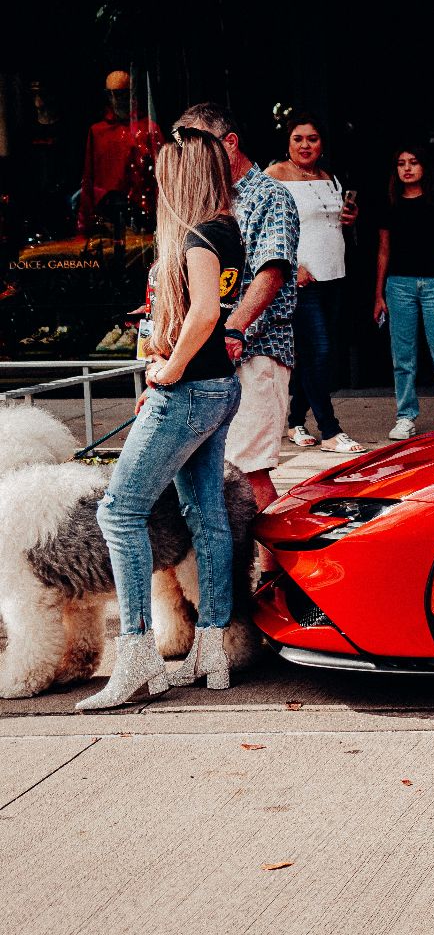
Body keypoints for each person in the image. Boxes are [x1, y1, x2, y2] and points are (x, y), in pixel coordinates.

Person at [77, 128, 246, 709]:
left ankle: (137, 652)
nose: (154, 178)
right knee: (207, 516)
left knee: (118, 513)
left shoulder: (198, 235)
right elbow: (219, 312)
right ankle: (212, 650)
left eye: (163, 169)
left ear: (183, 176)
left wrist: (168, 368)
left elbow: (203, 311)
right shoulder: (228, 230)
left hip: (189, 391)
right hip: (219, 388)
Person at [173, 103, 299, 515]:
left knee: (249, 472)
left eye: (198, 145)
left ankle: (274, 575)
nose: (190, 157)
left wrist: (234, 327)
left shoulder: (270, 195)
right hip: (208, 354)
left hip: (256, 349)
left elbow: (273, 270)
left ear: (230, 143)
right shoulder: (206, 199)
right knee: (210, 471)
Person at [267, 112, 364, 454]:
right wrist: (290, 266)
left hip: (334, 273)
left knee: (320, 355)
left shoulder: (329, 176)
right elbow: (264, 228)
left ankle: (294, 421)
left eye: (312, 139)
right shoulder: (275, 175)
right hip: (301, 279)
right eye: (298, 139)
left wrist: (349, 219)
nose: (306, 145)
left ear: (322, 143)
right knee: (318, 351)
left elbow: (329, 223)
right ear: (287, 142)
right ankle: (330, 430)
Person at [373, 146, 434, 439]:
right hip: (399, 284)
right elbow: (383, 251)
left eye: (414, 163)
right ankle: (405, 416)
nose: (407, 169)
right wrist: (378, 295)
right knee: (402, 355)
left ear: (425, 166)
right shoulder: (390, 203)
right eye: (401, 163)